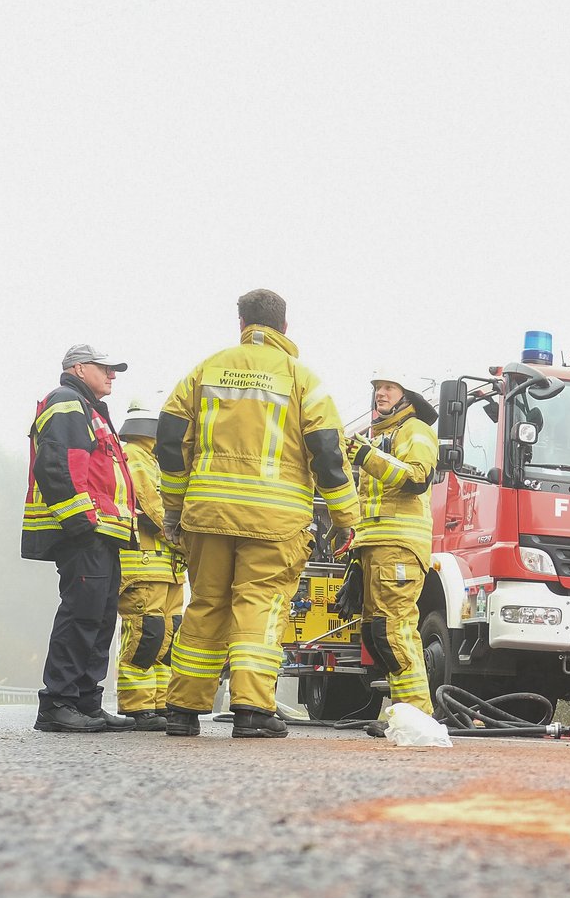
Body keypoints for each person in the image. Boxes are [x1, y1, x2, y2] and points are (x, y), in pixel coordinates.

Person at [156, 289, 360, 738]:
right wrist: (346, 518)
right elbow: (327, 453)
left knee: (207, 604)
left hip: (207, 515)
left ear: (242, 324)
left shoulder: (204, 370)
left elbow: (170, 441)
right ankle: (251, 710)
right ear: (285, 328)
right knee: (260, 605)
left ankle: (181, 710)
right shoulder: (302, 380)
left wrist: (174, 509)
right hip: (275, 521)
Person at [22, 344, 138, 733]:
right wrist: (82, 523)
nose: (113, 375)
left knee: (101, 617)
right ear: (79, 367)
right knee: (81, 615)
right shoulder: (68, 401)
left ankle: (86, 703)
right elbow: (58, 465)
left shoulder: (89, 409)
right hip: (86, 532)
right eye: (105, 368)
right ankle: (57, 703)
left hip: (101, 533)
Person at [347, 370, 438, 737]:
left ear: (407, 395)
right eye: (376, 388)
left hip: (400, 546)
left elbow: (418, 478)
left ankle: (418, 716)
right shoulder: (384, 434)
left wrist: (367, 456)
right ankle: (403, 716)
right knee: (376, 634)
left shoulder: (415, 430)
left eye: (388, 388)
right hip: (375, 545)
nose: (379, 394)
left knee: (393, 631)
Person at [114, 398, 185, 731]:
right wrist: (185, 539)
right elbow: (157, 509)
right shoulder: (135, 457)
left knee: (167, 639)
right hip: (143, 566)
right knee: (146, 635)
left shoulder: (155, 461)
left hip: (168, 568)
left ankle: (159, 704)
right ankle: (138, 706)